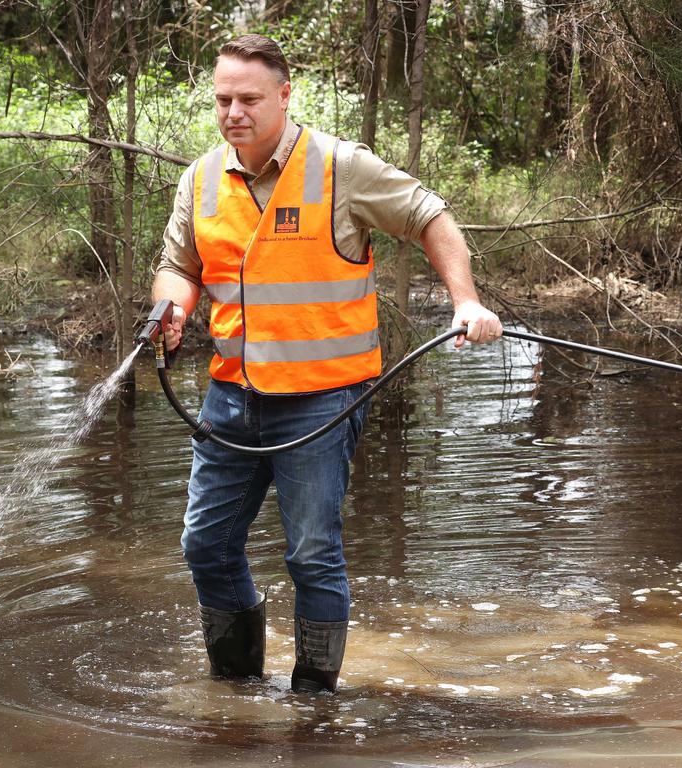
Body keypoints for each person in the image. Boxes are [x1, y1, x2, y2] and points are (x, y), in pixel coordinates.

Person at [150, 34, 502, 693]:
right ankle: (235, 690)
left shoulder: (341, 168)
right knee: (206, 547)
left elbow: (432, 216)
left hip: (323, 397)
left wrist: (466, 302)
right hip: (231, 396)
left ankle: (315, 705)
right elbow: (178, 266)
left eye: (249, 99)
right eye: (223, 99)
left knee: (311, 554)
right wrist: (170, 310)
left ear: (285, 95)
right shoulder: (199, 180)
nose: (234, 112)